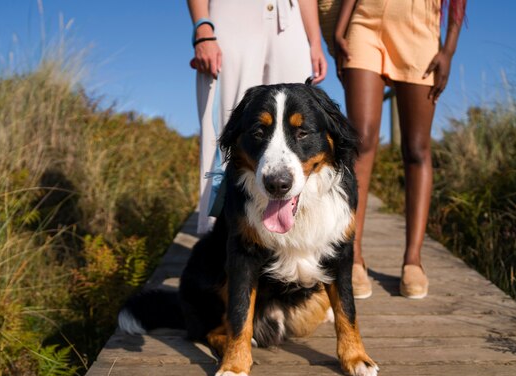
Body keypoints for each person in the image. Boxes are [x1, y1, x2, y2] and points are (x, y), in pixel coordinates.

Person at [332, 0, 466, 299]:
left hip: (420, 31)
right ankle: (352, 257)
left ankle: (413, 261)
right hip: (366, 23)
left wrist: (448, 51)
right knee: (361, 139)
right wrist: (339, 32)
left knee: (417, 148)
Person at [188, 0, 327, 234]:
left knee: (296, 125)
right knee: (225, 130)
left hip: (290, 19)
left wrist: (314, 41)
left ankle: (291, 237)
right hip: (233, 14)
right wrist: (203, 28)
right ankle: (218, 234)